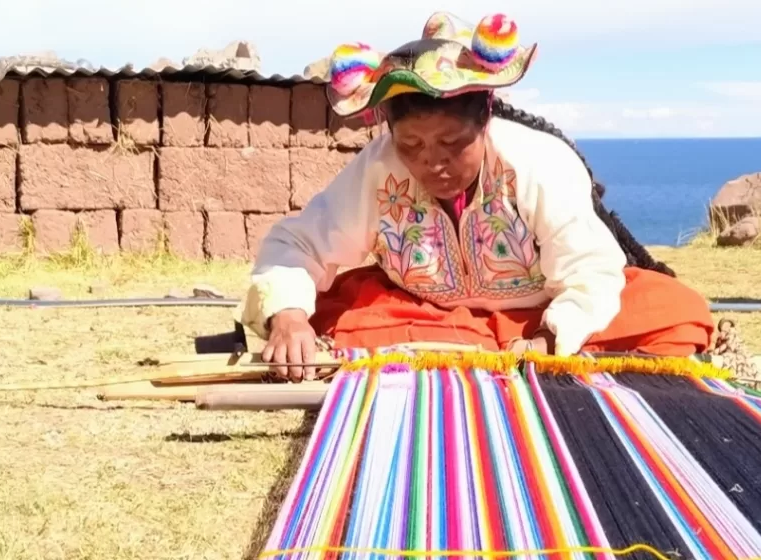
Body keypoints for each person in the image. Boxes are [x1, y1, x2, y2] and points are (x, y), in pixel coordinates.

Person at [240, 11, 715, 381]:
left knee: (676, 313)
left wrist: (551, 338)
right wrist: (288, 316)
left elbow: (590, 270)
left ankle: (480, 351)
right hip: (427, 316)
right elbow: (298, 244)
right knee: (319, 311)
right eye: (412, 146)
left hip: (537, 321)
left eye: (451, 144)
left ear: (485, 119)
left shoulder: (536, 162)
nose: (432, 163)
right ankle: (476, 350)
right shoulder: (378, 168)